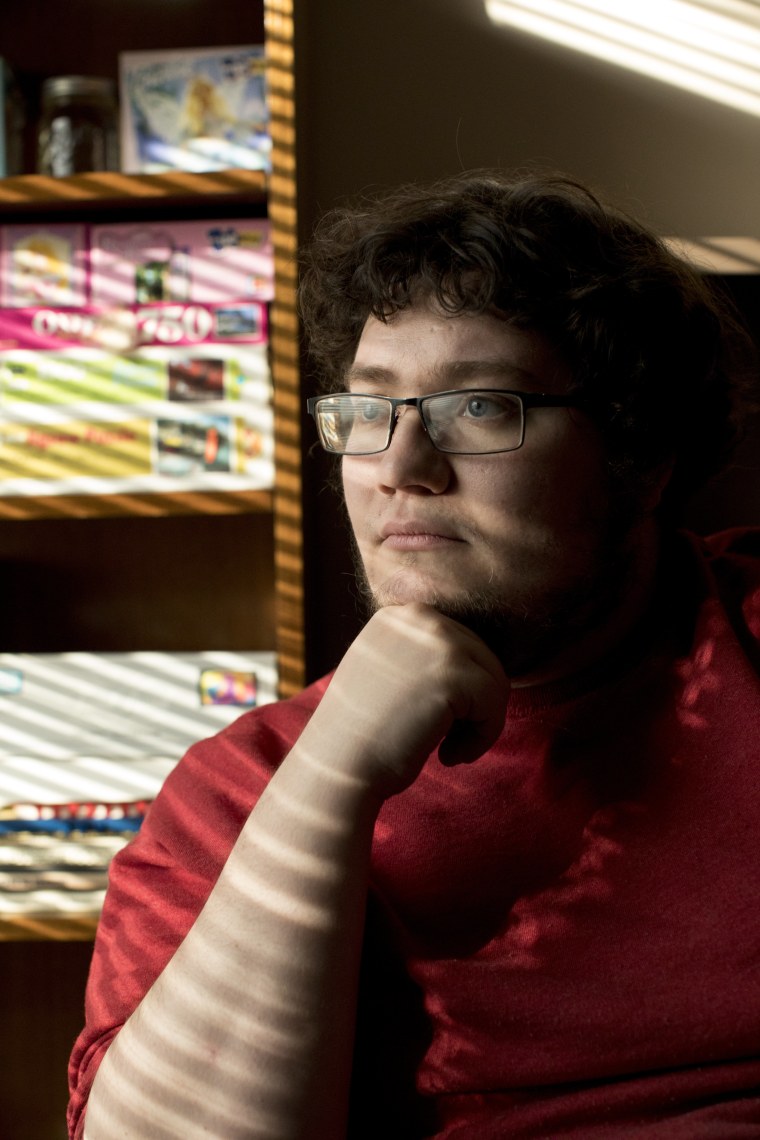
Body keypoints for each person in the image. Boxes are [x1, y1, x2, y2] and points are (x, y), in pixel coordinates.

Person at [69, 170, 760, 1139]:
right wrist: (331, 779)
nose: (398, 468)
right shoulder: (246, 787)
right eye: (366, 411)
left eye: (476, 408)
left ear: (640, 458)